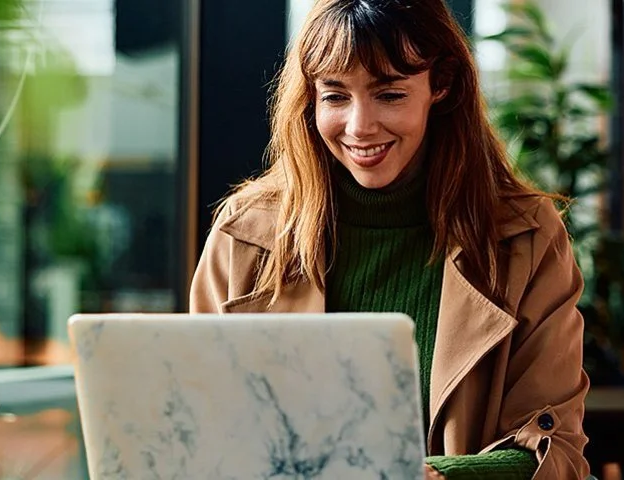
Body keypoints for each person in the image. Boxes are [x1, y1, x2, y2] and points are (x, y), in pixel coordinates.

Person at [189, 0, 590, 478]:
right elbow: (200, 432)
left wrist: (431, 476)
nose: (360, 127)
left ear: (440, 85)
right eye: (335, 97)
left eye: (390, 95)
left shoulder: (524, 236)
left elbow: (555, 449)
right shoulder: (247, 234)